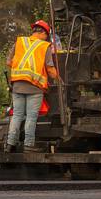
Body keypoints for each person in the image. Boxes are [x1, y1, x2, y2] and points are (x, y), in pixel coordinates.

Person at [4, 20, 59, 152]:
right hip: (34, 88)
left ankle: (10, 144)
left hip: (17, 85)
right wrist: (60, 80)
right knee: (31, 116)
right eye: (47, 35)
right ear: (44, 33)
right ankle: (28, 145)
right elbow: (50, 70)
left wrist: (22, 71)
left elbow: (9, 62)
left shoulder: (20, 42)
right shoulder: (44, 46)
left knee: (17, 115)